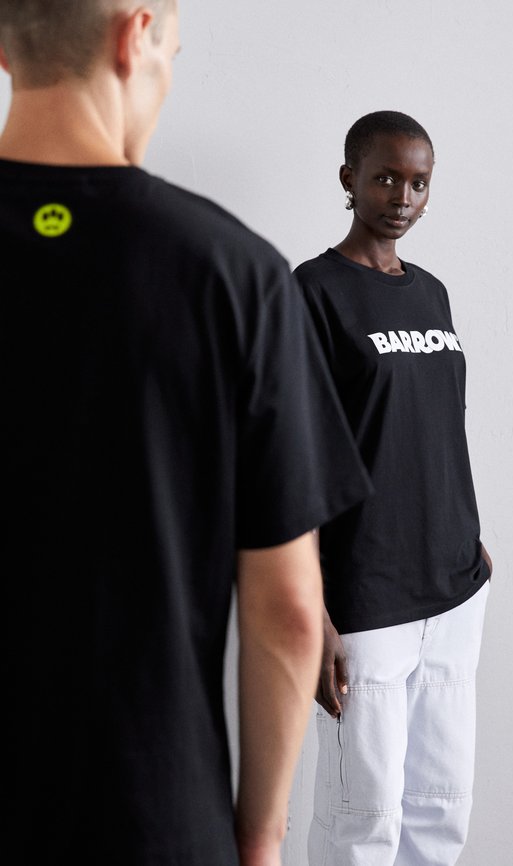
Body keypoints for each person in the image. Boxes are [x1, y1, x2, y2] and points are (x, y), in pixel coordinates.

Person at [0, 3, 371, 865]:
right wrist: (260, 839)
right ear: (136, 37)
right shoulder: (233, 274)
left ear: (7, 51)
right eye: (173, 49)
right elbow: (289, 611)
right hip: (149, 818)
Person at [294, 111, 494, 866]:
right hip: (366, 589)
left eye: (418, 182)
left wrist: (469, 538)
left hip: (453, 585)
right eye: (384, 178)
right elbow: (292, 452)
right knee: (363, 817)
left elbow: (436, 423)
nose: (402, 197)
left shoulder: (432, 293)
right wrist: (313, 605)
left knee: (440, 809)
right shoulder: (314, 291)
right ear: (349, 179)